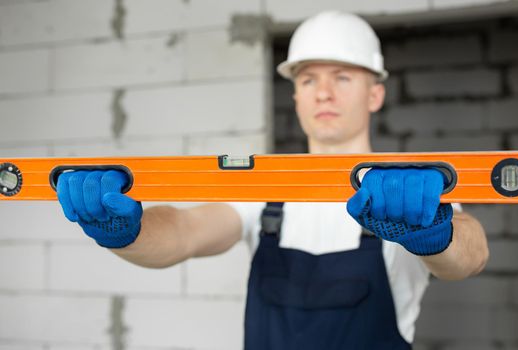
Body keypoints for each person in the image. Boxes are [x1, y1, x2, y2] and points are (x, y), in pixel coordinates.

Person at [56, 11, 489, 350]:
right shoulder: (265, 192)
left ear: (374, 94)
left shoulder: (409, 194)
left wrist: (435, 234)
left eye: (342, 77)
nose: (324, 92)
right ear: (296, 96)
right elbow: (184, 233)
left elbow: (469, 254)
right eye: (308, 79)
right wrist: (123, 233)